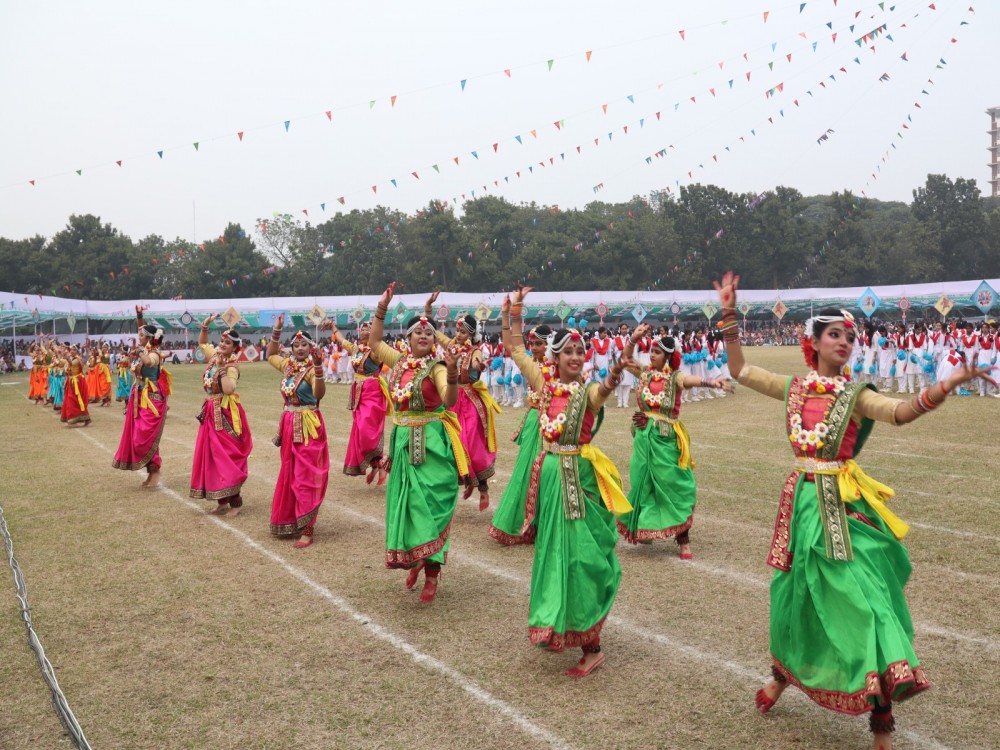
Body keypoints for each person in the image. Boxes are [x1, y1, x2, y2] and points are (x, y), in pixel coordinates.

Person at [713, 272, 995, 750]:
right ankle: (783, 675)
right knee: (794, 596)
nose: (845, 342)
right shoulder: (794, 386)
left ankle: (881, 717)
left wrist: (946, 386)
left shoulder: (856, 395)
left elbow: (899, 412)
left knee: (863, 603)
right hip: (801, 505)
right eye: (835, 334)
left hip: (842, 507)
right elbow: (740, 370)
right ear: (814, 342)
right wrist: (728, 315)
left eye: (849, 336)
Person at [507, 286, 632, 677]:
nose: (576, 357)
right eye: (569, 352)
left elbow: (604, 390)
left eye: (581, 352)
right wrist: (515, 310)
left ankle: (592, 647)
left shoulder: (587, 394)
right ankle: (555, 622)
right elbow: (514, 349)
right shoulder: (544, 388)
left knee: (578, 557)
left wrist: (616, 370)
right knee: (550, 554)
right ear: (555, 357)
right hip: (549, 482)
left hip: (577, 483)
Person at [368, 283, 468, 603]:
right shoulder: (397, 362)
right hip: (402, 444)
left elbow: (448, 400)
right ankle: (415, 557)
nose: (424, 337)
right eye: (417, 333)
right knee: (408, 508)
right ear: (408, 338)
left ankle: (433, 574)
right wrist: (382, 308)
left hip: (432, 445)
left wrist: (451, 376)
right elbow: (373, 342)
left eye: (428, 334)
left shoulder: (436, 367)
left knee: (432, 507)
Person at [616, 323, 730, 558]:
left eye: (657, 352)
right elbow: (625, 359)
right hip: (643, 439)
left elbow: (690, 380)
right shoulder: (645, 373)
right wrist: (633, 339)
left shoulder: (675, 377)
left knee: (676, 485)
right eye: (652, 351)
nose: (652, 355)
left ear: (668, 356)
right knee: (642, 484)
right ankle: (646, 528)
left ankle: (683, 539)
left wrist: (711, 382)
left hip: (667, 440)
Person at [424, 292, 502, 511]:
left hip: (470, 403)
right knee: (453, 443)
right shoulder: (451, 346)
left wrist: (478, 367)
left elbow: (477, 363)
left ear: (471, 334)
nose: (458, 335)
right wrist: (428, 309)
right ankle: (468, 481)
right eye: (457, 330)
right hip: (452, 401)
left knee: (472, 445)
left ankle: (483, 488)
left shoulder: (476, 351)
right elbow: (434, 332)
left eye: (463, 332)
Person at [266, 315, 329, 548]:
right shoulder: (288, 366)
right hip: (289, 423)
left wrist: (320, 368)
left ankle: (308, 528)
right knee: (290, 472)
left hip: (308, 424)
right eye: (296, 345)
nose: (300, 348)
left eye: (304, 344)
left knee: (305, 475)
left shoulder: (312, 370)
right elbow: (270, 355)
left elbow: (319, 394)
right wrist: (277, 329)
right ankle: (292, 519)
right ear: (291, 348)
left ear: (311, 347)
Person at [488, 322, 552, 544]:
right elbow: (509, 345)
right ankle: (524, 523)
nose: (534, 348)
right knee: (525, 471)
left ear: (550, 344)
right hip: (535, 420)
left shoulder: (556, 365)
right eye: (532, 343)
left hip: (553, 423)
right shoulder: (530, 364)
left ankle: (547, 525)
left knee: (549, 474)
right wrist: (508, 317)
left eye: (539, 344)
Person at [189, 315, 253, 517]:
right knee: (212, 456)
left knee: (227, 456)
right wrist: (205, 325)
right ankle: (221, 500)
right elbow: (202, 343)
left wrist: (223, 369)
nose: (223, 344)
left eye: (228, 343)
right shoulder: (215, 356)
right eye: (222, 341)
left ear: (235, 348)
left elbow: (229, 388)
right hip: (210, 412)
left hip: (226, 414)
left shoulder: (232, 366)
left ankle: (236, 501)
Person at [112, 307, 172, 487]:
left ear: (149, 338)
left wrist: (138, 352)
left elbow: (148, 361)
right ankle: (151, 471)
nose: (139, 336)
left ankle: (154, 470)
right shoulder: (145, 347)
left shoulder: (153, 353)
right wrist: (139, 316)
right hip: (138, 397)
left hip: (151, 399)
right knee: (136, 435)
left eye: (142, 335)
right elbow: (142, 331)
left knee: (144, 437)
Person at [328, 321, 390, 485]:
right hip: (359, 392)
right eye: (362, 329)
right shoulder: (356, 349)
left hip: (373, 391)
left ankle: (381, 462)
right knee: (360, 428)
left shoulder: (376, 351)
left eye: (368, 329)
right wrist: (333, 328)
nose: (364, 331)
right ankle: (377, 465)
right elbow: (341, 340)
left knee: (367, 429)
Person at [60, 347, 92, 427]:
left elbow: (72, 364)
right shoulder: (70, 358)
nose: (72, 351)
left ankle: (72, 420)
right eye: (71, 350)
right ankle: (86, 419)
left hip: (78, 382)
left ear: (77, 351)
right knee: (72, 400)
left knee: (74, 400)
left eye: (74, 350)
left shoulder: (78, 359)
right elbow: (67, 368)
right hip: (71, 381)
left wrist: (67, 358)